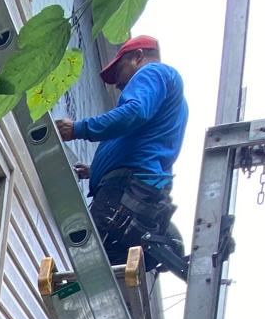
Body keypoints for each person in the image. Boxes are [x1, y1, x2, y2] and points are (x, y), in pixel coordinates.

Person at [56, 35, 189, 279]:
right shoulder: (173, 96)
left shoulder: (154, 73)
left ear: (138, 57)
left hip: (126, 192)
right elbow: (144, 142)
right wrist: (94, 170)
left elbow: (134, 112)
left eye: (119, 71)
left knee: (89, 268)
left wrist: (78, 128)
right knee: (104, 273)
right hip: (139, 193)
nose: (117, 85)